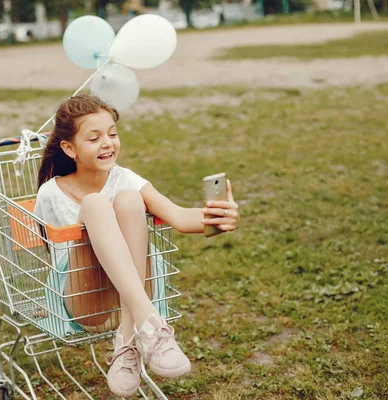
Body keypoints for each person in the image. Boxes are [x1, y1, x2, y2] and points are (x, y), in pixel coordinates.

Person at [33, 94, 240, 397]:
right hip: (85, 300)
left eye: (112, 133)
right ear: (69, 148)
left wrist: (220, 218)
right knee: (95, 205)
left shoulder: (125, 179)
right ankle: (152, 326)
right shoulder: (51, 194)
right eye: (94, 138)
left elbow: (180, 217)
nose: (108, 143)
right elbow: (53, 257)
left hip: (128, 300)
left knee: (130, 199)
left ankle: (128, 340)